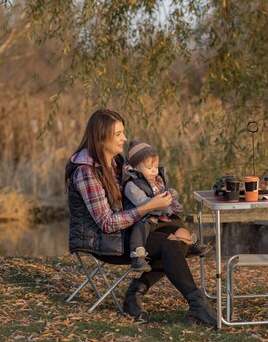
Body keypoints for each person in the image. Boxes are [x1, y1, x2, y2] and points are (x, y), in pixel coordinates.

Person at [65, 109, 217, 326]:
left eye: (123, 132)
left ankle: (136, 295)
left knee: (180, 235)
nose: (124, 139)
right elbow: (106, 223)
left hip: (128, 231)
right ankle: (197, 305)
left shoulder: (118, 164)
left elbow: (140, 188)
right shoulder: (85, 172)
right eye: (118, 134)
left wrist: (159, 195)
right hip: (102, 240)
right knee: (169, 246)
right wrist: (148, 207)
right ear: (101, 136)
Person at [122, 139, 205, 272]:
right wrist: (164, 207)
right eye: (150, 168)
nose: (155, 171)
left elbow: (164, 193)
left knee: (176, 220)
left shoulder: (157, 180)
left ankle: (187, 243)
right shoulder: (132, 185)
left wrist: (171, 197)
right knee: (140, 227)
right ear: (135, 168)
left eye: (156, 167)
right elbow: (143, 203)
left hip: (159, 215)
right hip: (142, 216)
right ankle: (137, 254)